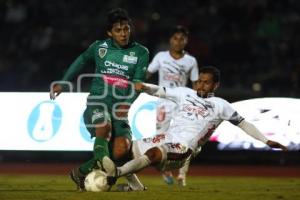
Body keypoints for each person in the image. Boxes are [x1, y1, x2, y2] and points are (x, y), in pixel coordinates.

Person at [104, 66, 288, 188]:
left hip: (184, 147)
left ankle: (116, 174)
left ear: (215, 84)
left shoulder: (221, 105)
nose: (200, 84)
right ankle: (137, 189)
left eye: (206, 82)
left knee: (152, 153)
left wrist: (266, 140)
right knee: (123, 151)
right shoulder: (185, 93)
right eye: (199, 80)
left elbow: (244, 124)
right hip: (167, 137)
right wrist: (143, 86)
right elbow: (159, 91)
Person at [49, 8, 149, 191]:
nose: (123, 33)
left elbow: (138, 85)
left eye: (126, 29)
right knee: (104, 126)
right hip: (98, 101)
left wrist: (127, 104)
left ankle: (80, 172)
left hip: (120, 107)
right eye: (118, 30)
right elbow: (81, 60)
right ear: (109, 33)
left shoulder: (141, 52)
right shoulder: (99, 47)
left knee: (121, 150)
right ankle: (103, 166)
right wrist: (63, 83)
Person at [147, 25, 199, 186]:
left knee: (187, 139)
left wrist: (198, 103)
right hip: (163, 104)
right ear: (170, 40)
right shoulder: (161, 57)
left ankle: (182, 175)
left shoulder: (191, 61)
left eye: (181, 39)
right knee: (160, 138)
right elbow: (147, 73)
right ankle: (165, 170)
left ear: (186, 41)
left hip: (182, 104)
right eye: (175, 38)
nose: (178, 42)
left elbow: (196, 84)